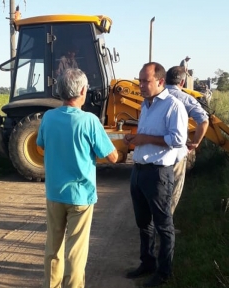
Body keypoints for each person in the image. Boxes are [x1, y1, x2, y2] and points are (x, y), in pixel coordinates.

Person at [36, 68, 118, 288]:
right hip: (80, 196)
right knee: (76, 252)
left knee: (53, 248)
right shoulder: (89, 121)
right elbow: (112, 156)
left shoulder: (49, 117)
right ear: (82, 90)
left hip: (54, 193)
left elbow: (41, 144)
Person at [124, 62, 188, 287]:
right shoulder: (146, 105)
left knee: (163, 224)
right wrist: (134, 139)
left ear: (160, 82)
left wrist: (145, 139)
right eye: (140, 80)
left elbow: (178, 140)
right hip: (139, 170)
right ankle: (147, 262)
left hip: (159, 173)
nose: (140, 85)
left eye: (145, 81)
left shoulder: (173, 106)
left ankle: (164, 272)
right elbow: (147, 135)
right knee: (143, 222)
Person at [165, 66, 209, 214]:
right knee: (173, 188)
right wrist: (195, 142)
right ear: (182, 82)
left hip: (154, 150)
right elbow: (203, 120)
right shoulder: (185, 98)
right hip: (176, 151)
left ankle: (152, 223)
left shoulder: (154, 96)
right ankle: (166, 224)